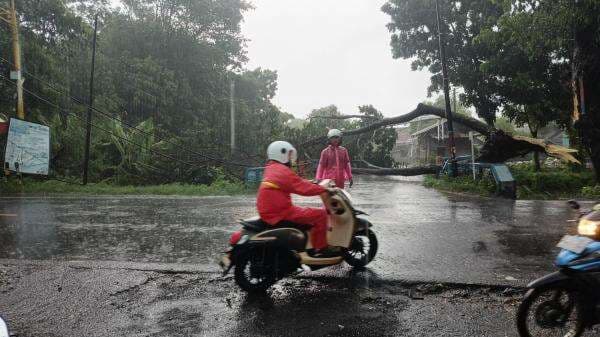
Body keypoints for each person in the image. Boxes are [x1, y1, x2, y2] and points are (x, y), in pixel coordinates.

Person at [257, 141, 334, 255]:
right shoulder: (282, 171)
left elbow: (295, 182)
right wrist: (323, 189)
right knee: (321, 215)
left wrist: (313, 183)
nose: (290, 158)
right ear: (281, 154)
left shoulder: (272, 168)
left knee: (307, 212)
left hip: (269, 212)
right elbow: (302, 188)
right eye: (289, 155)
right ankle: (321, 249)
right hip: (281, 213)